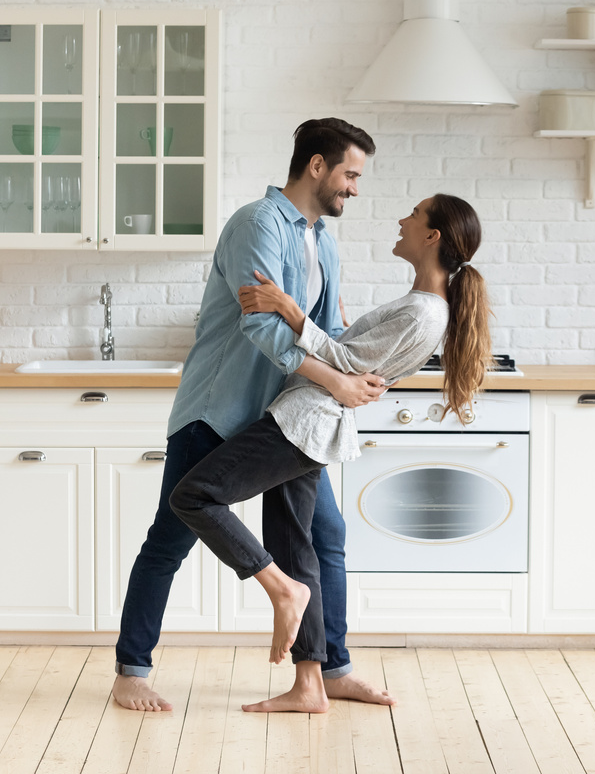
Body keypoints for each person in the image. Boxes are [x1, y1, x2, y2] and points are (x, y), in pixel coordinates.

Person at [112, 118, 395, 712]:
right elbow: (260, 324)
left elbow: (329, 331)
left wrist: (352, 371)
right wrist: (336, 379)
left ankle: (331, 669)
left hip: (284, 419)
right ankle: (131, 670)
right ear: (316, 166)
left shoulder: (323, 240)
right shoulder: (257, 225)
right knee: (170, 539)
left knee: (327, 536)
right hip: (218, 410)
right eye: (350, 173)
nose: (355, 188)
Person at [170, 194, 491, 713]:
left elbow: (343, 363)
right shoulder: (422, 305)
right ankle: (310, 683)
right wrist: (330, 324)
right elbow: (351, 357)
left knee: (195, 496)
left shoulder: (424, 309)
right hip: (309, 421)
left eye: (414, 213)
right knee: (299, 545)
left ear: (432, 237)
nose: (402, 218)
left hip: (302, 422)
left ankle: (279, 590)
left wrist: (291, 310)